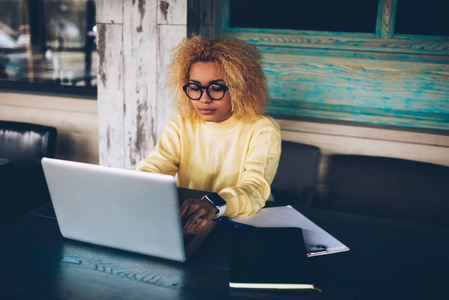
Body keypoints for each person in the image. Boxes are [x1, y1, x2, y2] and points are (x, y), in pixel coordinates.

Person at [136, 36, 281, 235]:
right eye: (195, 87)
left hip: (243, 224)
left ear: (240, 89)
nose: (204, 99)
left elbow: (255, 188)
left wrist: (213, 204)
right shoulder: (181, 122)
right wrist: (137, 187)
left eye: (216, 87)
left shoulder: (263, 129)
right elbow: (155, 166)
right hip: (192, 223)